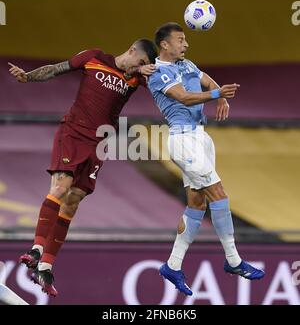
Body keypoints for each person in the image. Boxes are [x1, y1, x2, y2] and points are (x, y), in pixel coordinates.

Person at [8, 39, 158, 296]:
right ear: (132, 51)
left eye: (146, 66)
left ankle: (45, 267)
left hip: (99, 144)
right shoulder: (94, 57)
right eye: (142, 63)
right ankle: (36, 250)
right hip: (73, 133)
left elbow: (170, 88)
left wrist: (163, 73)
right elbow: (57, 68)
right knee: (61, 186)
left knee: (74, 200)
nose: (141, 68)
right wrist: (28, 77)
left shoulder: (137, 79)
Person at [148, 23, 265, 296]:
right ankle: (234, 260)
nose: (186, 44)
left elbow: (206, 79)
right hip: (183, 140)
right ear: (164, 44)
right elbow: (185, 97)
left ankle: (173, 265)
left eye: (185, 39)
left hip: (201, 138)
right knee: (219, 194)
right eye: (180, 39)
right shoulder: (158, 73)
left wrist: (220, 97)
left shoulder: (186, 63)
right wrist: (217, 95)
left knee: (197, 204)